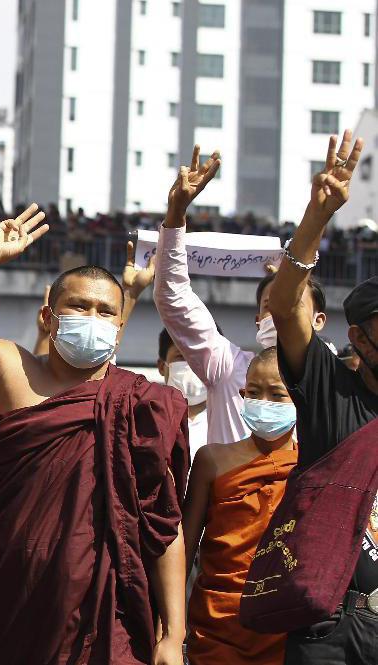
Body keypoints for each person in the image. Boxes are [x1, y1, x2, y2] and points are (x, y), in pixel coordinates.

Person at [0, 212, 189, 664]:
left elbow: (164, 524)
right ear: (49, 315)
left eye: (105, 312)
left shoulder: (140, 405)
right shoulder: (8, 370)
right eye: (79, 306)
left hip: (102, 617)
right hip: (2, 604)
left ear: (120, 328)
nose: (92, 318)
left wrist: (173, 636)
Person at [267, 129, 378, 662]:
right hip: (331, 627)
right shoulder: (331, 390)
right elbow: (286, 306)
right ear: (359, 337)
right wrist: (317, 218)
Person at [154, 146, 328, 445]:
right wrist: (176, 215)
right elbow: (173, 297)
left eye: (293, 302)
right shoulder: (227, 365)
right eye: (271, 305)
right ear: (258, 319)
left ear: (319, 320)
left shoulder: (332, 380)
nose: (282, 311)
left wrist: (320, 216)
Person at [182, 347, 297, 665]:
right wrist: (170, 624)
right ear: (243, 395)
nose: (265, 404)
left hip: (282, 624)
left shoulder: (309, 465)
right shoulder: (212, 460)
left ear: (299, 400)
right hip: (217, 623)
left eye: (277, 395)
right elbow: (185, 548)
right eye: (255, 393)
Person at [159, 328, 209, 459]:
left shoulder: (232, 420)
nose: (192, 364)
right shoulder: (145, 419)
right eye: (181, 356)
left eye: (200, 357)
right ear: (161, 366)